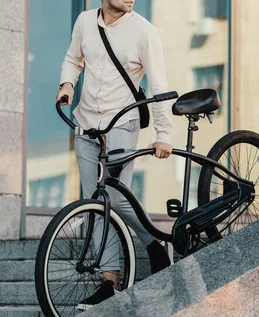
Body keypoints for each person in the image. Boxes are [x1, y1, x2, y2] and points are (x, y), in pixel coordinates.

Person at [56, 0, 172, 310]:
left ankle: (154, 240)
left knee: (116, 196)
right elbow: (73, 58)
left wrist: (163, 134)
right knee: (94, 201)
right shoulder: (84, 21)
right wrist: (67, 84)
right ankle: (111, 281)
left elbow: (158, 83)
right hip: (86, 122)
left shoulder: (144, 32)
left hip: (122, 122)